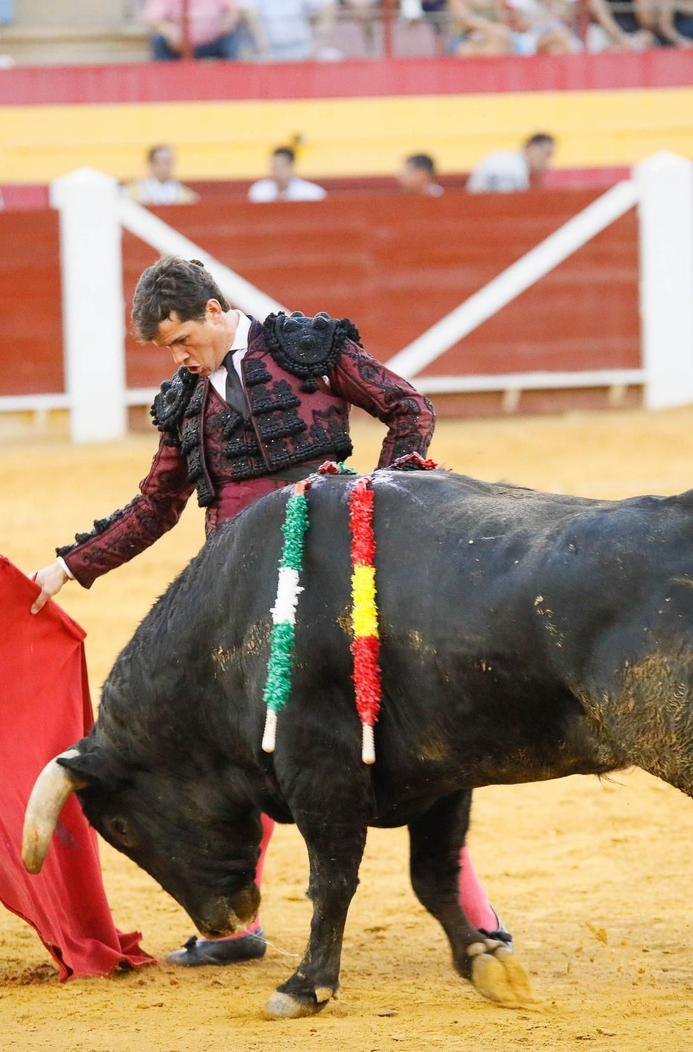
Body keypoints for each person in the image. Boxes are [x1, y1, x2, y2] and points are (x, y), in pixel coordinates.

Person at [28, 255, 511, 966]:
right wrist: (71, 565)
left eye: (183, 339)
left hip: (339, 589)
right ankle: (232, 931)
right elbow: (156, 505)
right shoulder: (183, 401)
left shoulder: (304, 348)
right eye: (166, 348)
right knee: (238, 750)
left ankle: (476, 918)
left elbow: (409, 408)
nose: (179, 357)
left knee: (404, 748)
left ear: (215, 311)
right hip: (237, 609)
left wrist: (386, 503)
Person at [236, 0, 337, 61]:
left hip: (302, 47)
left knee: (333, 58)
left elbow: (329, 3)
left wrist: (319, 43)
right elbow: (248, 11)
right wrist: (262, 47)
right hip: (264, 52)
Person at [142, 0, 241, 60]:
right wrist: (169, 31)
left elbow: (233, 9)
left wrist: (228, 21)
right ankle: (165, 76)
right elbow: (153, 18)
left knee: (232, 34)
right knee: (159, 39)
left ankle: (230, 74)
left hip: (213, 43)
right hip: (177, 47)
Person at [466, 131, 554, 193]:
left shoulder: (505, 160)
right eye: (547, 154)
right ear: (530, 147)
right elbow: (506, 204)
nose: (548, 163)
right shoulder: (512, 168)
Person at [246, 146, 325, 203]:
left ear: (292, 168)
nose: (277, 171)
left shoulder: (311, 193)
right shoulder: (259, 190)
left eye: (281, 166)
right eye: (274, 167)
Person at [446, 0, 512, 54]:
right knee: (468, 51)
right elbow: (464, 19)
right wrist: (491, 29)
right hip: (464, 36)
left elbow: (500, 17)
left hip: (492, 35)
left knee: (500, 43)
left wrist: (488, 33)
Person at [128, 144, 199, 205]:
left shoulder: (185, 195)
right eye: (163, 162)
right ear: (151, 164)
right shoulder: (134, 192)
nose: (167, 167)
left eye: (169, 162)